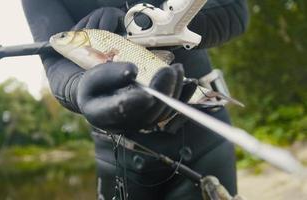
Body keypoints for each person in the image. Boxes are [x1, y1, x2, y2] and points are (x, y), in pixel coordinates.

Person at [21, 0, 249, 199]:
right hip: (118, 156)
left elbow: (235, 10)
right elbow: (56, 62)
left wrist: (153, 27)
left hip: (204, 133)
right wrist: (79, 87)